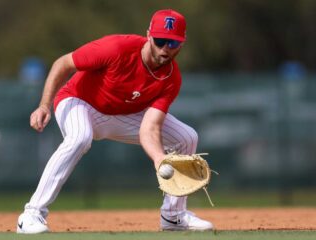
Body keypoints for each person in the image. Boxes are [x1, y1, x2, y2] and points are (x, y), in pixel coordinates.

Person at [16, 9, 213, 234]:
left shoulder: (171, 78)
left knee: (187, 138)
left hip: (123, 114)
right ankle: (31, 214)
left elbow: (150, 128)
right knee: (80, 138)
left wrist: (160, 160)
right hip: (80, 102)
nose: (165, 48)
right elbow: (63, 63)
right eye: (160, 41)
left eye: (173, 43)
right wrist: (44, 105)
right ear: (149, 35)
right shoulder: (116, 48)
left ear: (182, 43)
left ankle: (173, 217)